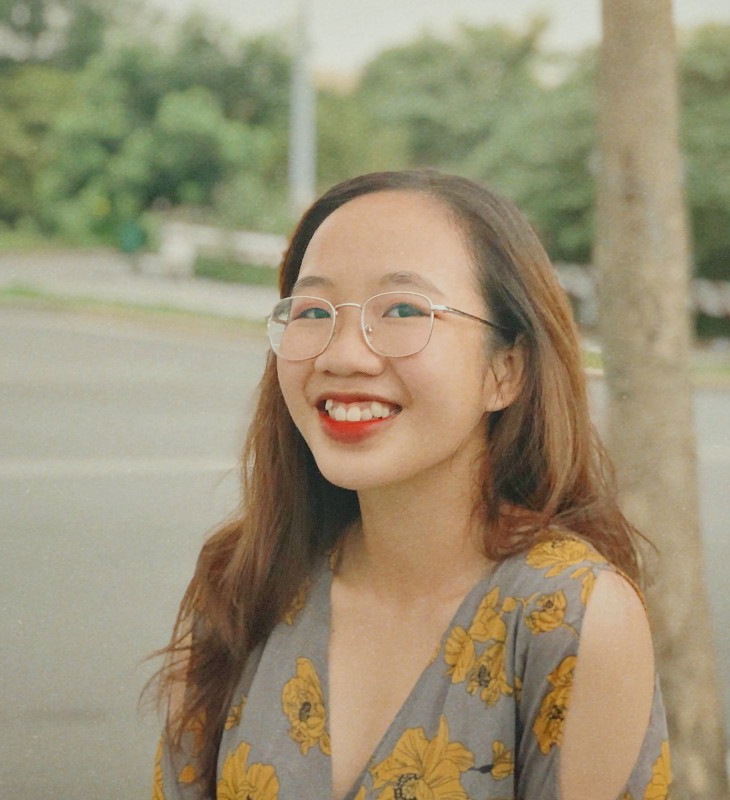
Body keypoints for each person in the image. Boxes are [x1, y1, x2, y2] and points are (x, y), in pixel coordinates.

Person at [150, 170, 670, 800]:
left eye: (402, 310)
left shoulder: (569, 616)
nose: (342, 356)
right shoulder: (243, 581)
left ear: (505, 370)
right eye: (313, 312)